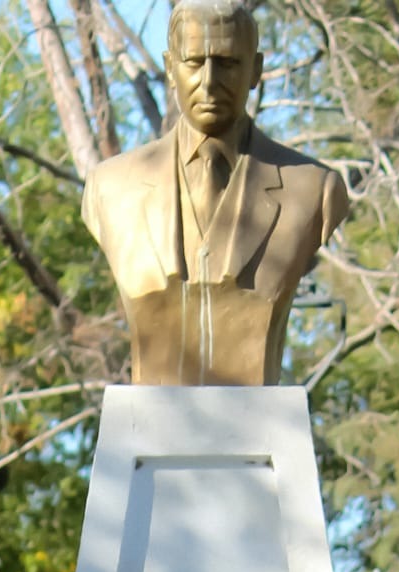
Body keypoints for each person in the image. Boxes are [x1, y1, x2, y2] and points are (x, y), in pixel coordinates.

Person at [79, 0, 349, 387]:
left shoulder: (314, 189)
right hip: (152, 420)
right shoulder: (110, 188)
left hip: (257, 416)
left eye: (227, 63)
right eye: (193, 62)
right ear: (170, 67)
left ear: (255, 70)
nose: (208, 82)